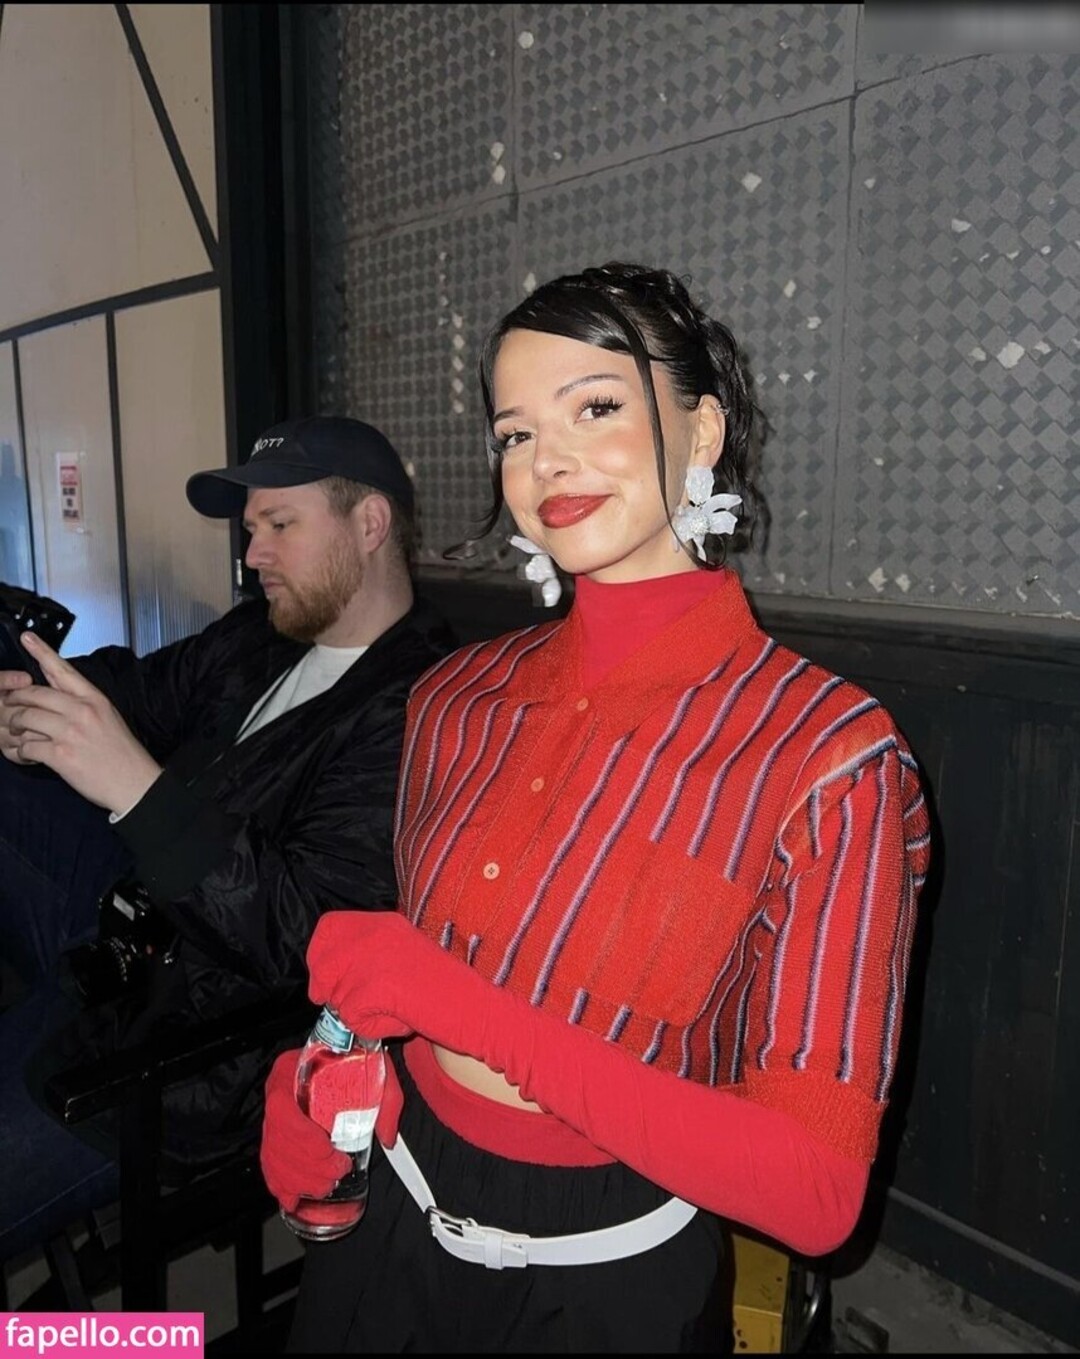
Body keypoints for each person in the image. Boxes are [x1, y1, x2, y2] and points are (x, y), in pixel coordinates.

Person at [258, 263, 932, 1354]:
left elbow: (815, 1194)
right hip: (389, 1221)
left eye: (596, 407)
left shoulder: (828, 756)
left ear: (701, 430)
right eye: (515, 432)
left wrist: (467, 1012)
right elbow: (407, 971)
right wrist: (326, 1070)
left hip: (608, 1283)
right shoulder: (452, 696)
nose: (546, 461)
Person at [0, 415, 456, 1267]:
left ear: (370, 524)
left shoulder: (422, 704)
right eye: (251, 529)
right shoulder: (264, 634)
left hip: (194, 1052)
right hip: (131, 940)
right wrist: (28, 699)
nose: (253, 554)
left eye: (279, 524)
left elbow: (305, 937)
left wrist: (136, 789)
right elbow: (136, 689)